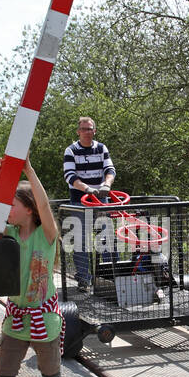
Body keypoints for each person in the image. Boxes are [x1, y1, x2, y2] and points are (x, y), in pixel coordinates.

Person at [0, 158, 76, 377]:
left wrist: (29, 169)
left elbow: (45, 206)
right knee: (5, 376)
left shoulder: (46, 235)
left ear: (28, 209)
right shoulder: (10, 235)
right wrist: (1, 186)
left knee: (51, 375)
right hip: (16, 320)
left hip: (46, 320)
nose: (8, 210)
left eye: (12, 204)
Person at [62, 116, 115, 290]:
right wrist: (87, 189)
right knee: (81, 240)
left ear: (94, 131)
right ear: (78, 132)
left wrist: (106, 185)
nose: (87, 132)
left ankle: (110, 278)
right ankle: (84, 279)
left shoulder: (101, 148)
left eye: (90, 129)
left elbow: (110, 169)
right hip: (79, 201)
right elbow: (70, 176)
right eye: (83, 129)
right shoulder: (71, 151)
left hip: (101, 200)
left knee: (107, 238)